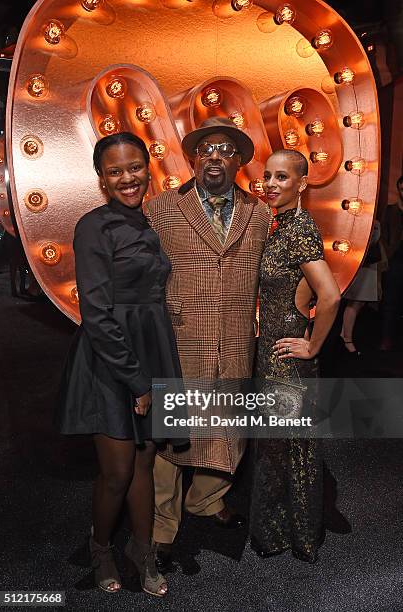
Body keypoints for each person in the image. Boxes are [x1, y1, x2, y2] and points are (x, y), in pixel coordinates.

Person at [57, 132, 186, 597]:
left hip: (152, 348)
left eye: (134, 167)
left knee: (146, 461)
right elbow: (95, 311)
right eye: (115, 171)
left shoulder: (151, 224)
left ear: (147, 166)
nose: (127, 178)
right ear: (102, 179)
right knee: (117, 471)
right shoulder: (94, 226)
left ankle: (143, 550)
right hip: (110, 358)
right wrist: (136, 380)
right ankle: (100, 549)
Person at [145, 117, 272, 569]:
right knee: (174, 438)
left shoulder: (259, 213)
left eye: (225, 150)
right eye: (206, 149)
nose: (214, 156)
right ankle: (162, 529)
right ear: (194, 159)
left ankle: (207, 500)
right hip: (181, 338)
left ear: (238, 162)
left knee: (227, 429)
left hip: (237, 336)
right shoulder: (160, 209)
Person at [250, 149, 340, 563]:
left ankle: (293, 535)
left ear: (302, 184)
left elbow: (330, 295)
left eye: (282, 178)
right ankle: (286, 532)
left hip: (286, 357)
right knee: (280, 445)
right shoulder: (280, 226)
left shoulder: (300, 228)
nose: (271, 183)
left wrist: (314, 344)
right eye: (268, 176)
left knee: (290, 446)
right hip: (271, 349)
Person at [341, 220, 383, 355]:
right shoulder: (364, 218)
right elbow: (370, 240)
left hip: (367, 262)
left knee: (359, 301)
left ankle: (345, 334)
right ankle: (346, 339)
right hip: (361, 262)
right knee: (356, 300)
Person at [380, 175, 403, 351]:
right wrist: (386, 256)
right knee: (391, 301)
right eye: (401, 189)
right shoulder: (391, 210)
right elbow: (382, 237)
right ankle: (387, 338)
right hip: (395, 261)